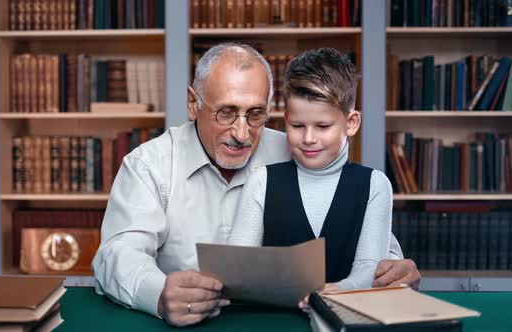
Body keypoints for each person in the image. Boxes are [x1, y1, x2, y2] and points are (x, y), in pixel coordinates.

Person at [92, 43, 420, 327]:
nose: (241, 133)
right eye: (226, 112)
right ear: (193, 104)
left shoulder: (299, 150)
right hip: (189, 324)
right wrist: (159, 295)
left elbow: (363, 227)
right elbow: (117, 254)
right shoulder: (149, 164)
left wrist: (395, 270)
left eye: (255, 114)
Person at [228, 48, 395, 312]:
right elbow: (238, 263)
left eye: (322, 126)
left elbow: (369, 266)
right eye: (297, 126)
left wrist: (337, 291)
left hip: (345, 317)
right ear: (286, 121)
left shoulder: (376, 185)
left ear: (351, 123)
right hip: (271, 320)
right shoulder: (261, 181)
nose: (308, 138)